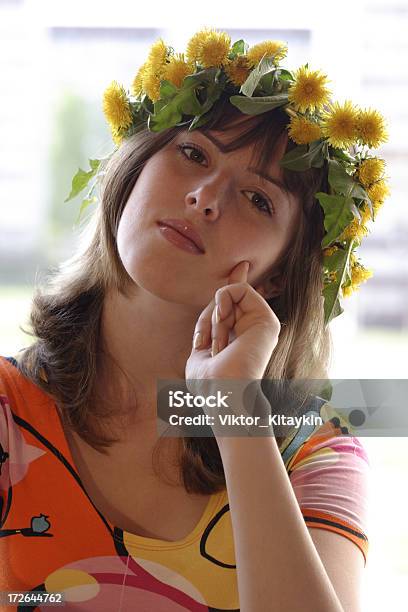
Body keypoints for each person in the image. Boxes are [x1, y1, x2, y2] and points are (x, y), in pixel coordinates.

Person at [0, 28, 387, 611]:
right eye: (193, 153)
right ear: (133, 169)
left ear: (280, 275)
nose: (206, 197)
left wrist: (236, 415)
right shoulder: (8, 411)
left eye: (259, 199)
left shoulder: (316, 455)